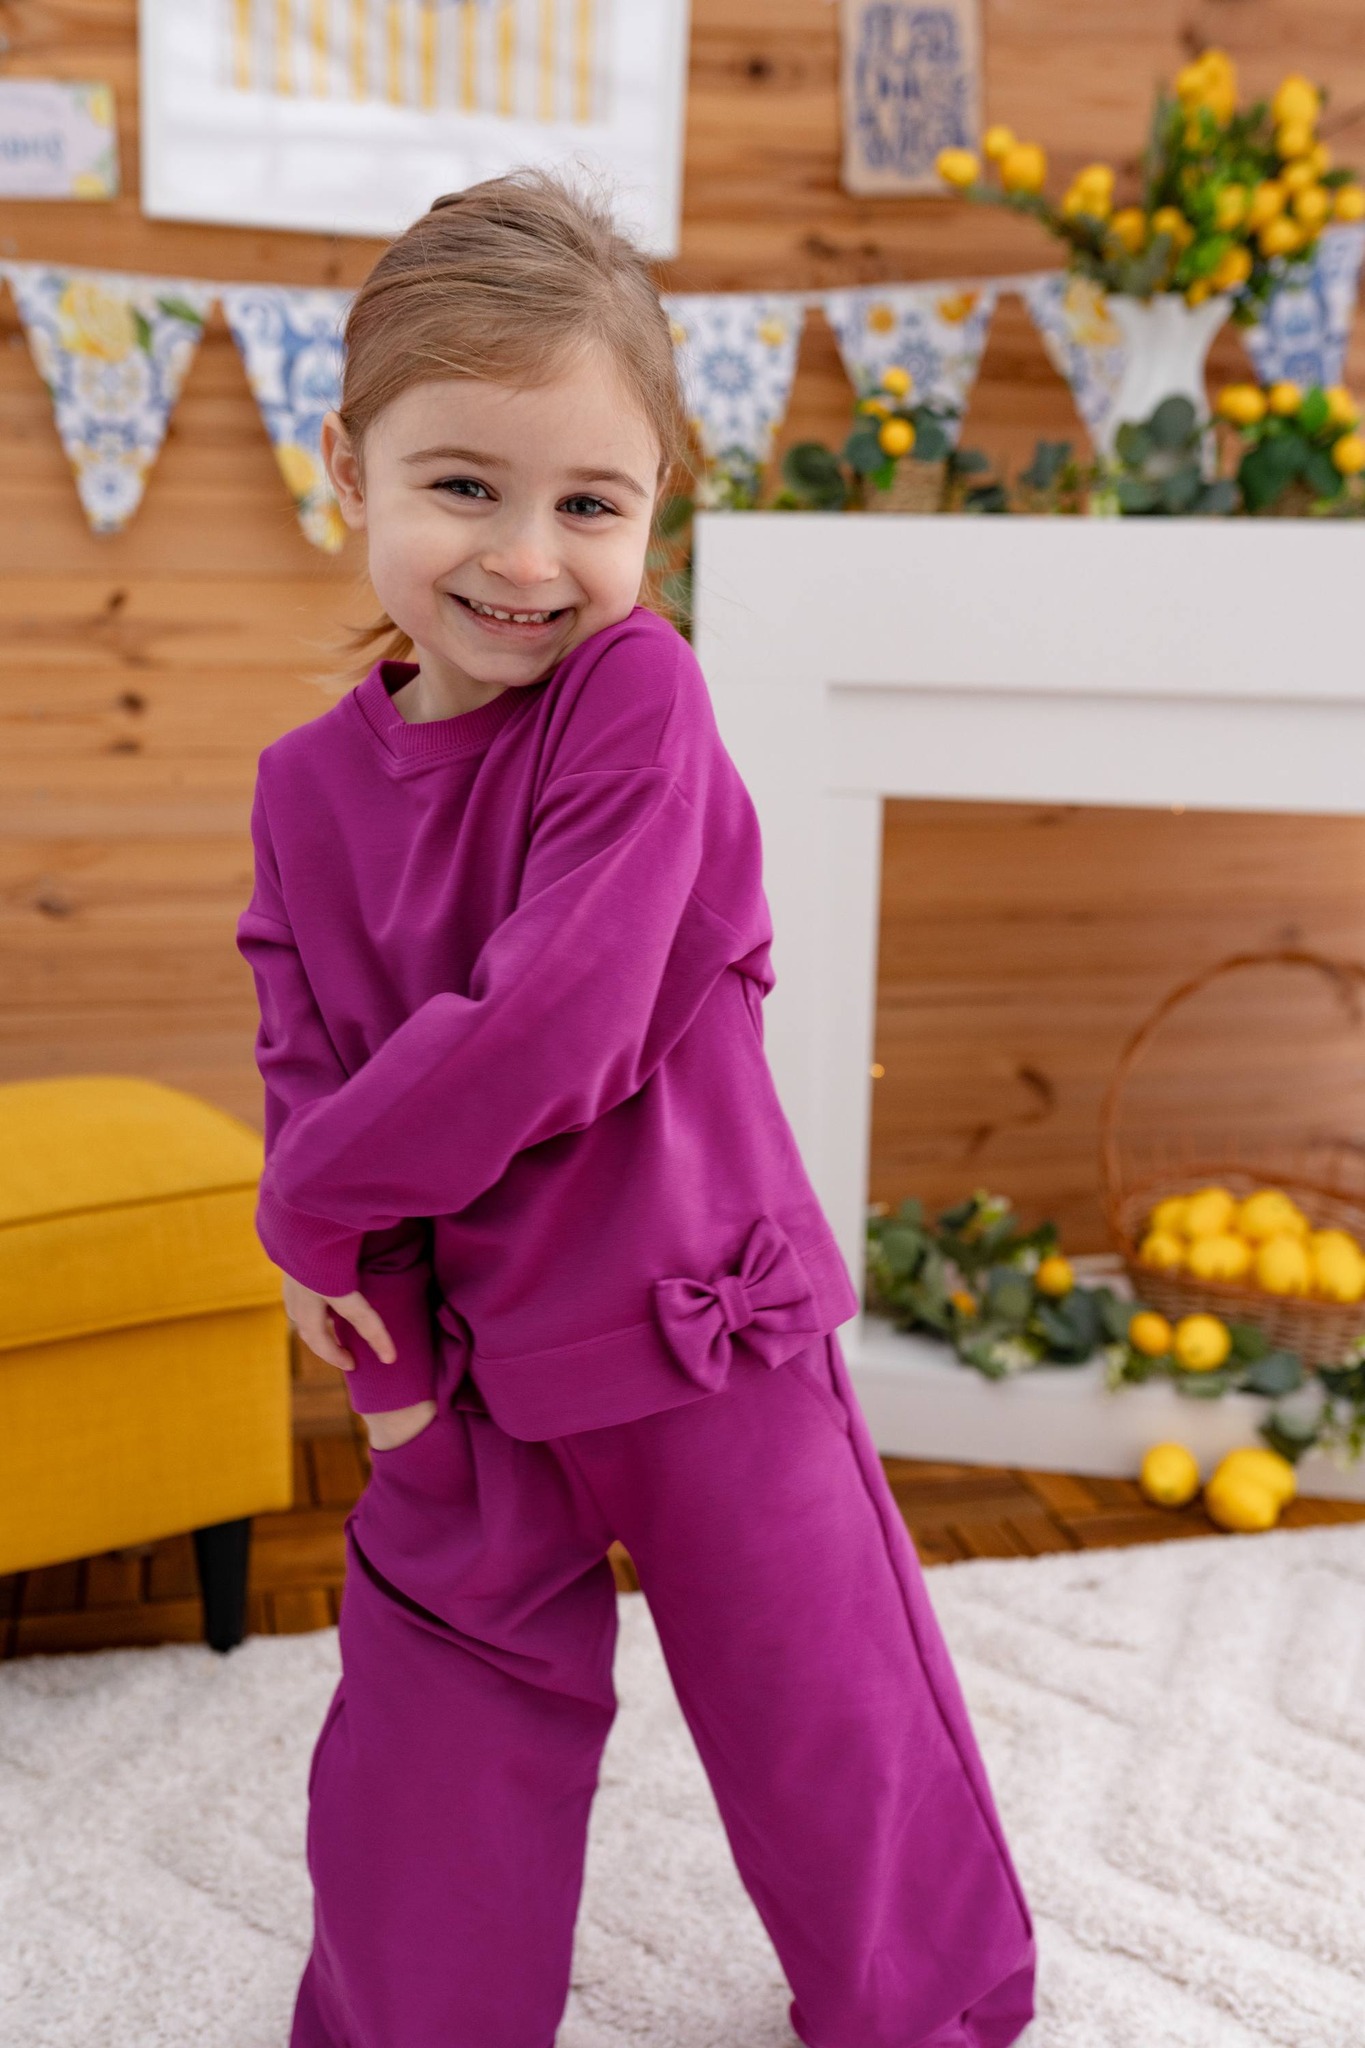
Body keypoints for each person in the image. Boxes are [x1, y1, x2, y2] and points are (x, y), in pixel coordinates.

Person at [236, 167, 1035, 2048]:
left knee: (819, 1709)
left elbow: (555, 1021)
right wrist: (386, 1360)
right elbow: (308, 1065)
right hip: (464, 1376)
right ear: (348, 470)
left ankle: (921, 2015)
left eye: (588, 505)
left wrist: (305, 1210)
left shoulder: (636, 699)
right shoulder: (301, 792)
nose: (528, 557)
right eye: (464, 486)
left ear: (655, 506)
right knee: (425, 1754)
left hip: (707, 1343)